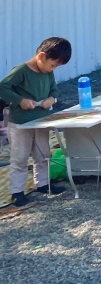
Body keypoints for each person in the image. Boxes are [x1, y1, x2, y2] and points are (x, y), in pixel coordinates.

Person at [0, 37, 71, 206]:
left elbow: (54, 90)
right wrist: (20, 100)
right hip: (21, 123)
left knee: (43, 154)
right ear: (41, 56)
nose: (53, 69)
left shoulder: (48, 72)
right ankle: (17, 191)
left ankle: (43, 184)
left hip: (41, 121)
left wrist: (51, 99)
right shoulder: (21, 71)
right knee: (20, 157)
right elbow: (3, 88)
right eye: (53, 64)